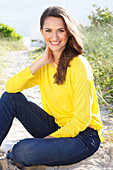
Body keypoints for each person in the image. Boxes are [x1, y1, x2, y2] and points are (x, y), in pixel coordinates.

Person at [0, 6, 104, 167]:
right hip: (56, 126)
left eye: (60, 30)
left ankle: (16, 150)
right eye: (48, 30)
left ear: (68, 32)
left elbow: (81, 121)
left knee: (22, 151)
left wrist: (50, 140)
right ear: (42, 32)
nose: (54, 37)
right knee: (9, 98)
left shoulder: (79, 66)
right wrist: (40, 62)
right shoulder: (45, 64)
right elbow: (11, 87)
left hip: (83, 137)